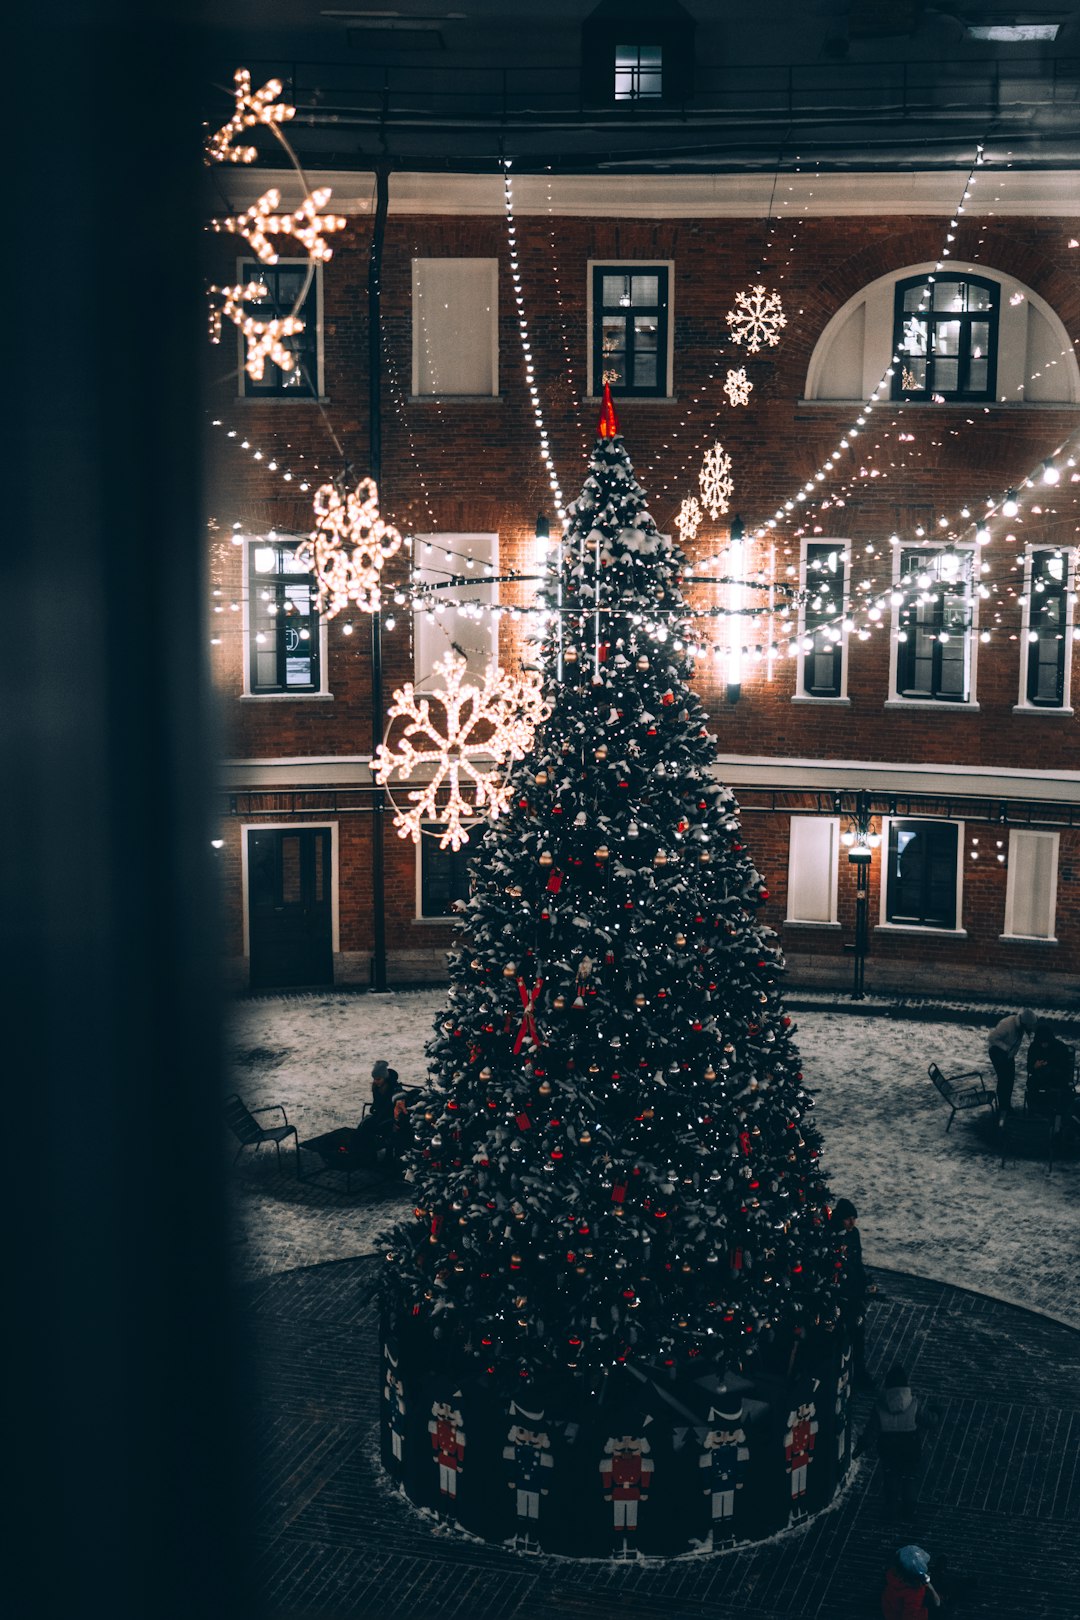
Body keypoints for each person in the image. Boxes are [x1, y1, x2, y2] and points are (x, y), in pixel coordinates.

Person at [864, 1363, 930, 1513]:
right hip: (910, 1446)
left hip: (888, 1447)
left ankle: (891, 1507)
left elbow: (871, 1430)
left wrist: (861, 1446)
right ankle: (910, 1507)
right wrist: (937, 1414)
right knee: (910, 1476)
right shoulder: (913, 1403)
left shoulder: (880, 1406)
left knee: (891, 1476)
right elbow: (927, 1420)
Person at [830, 1197, 876, 1390]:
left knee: (858, 1333)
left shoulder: (853, 1234)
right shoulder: (832, 1236)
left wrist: (866, 1282)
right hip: (839, 1294)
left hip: (853, 1293)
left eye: (853, 1219)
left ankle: (858, 1371)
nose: (852, 1223)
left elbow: (857, 1263)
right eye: (848, 1219)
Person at [1026, 1022, 1076, 1133]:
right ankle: (1035, 1112)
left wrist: (1050, 1068)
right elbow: (1029, 1068)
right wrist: (1035, 1066)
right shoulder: (1034, 1047)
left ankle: (1059, 1117)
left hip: (1057, 1077)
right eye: (1041, 1042)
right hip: (1040, 1077)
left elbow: (1065, 1069)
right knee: (1031, 1083)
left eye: (1046, 1042)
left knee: (1064, 1092)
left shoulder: (1060, 1047)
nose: (1043, 1045)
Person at [987, 1007, 1036, 1120]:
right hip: (997, 1052)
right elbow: (991, 1038)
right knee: (1003, 1079)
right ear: (1025, 1023)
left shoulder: (1021, 1026)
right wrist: (1006, 1048)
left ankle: (1006, 1106)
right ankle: (1003, 1108)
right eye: (1030, 1026)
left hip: (1008, 1054)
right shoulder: (1007, 1024)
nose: (1031, 1028)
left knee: (1010, 1080)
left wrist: (1010, 1052)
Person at [880, 1545, 942, 1617]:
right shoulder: (915, 1592)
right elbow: (911, 1616)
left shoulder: (892, 1575)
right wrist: (930, 1587)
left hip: (890, 1612)